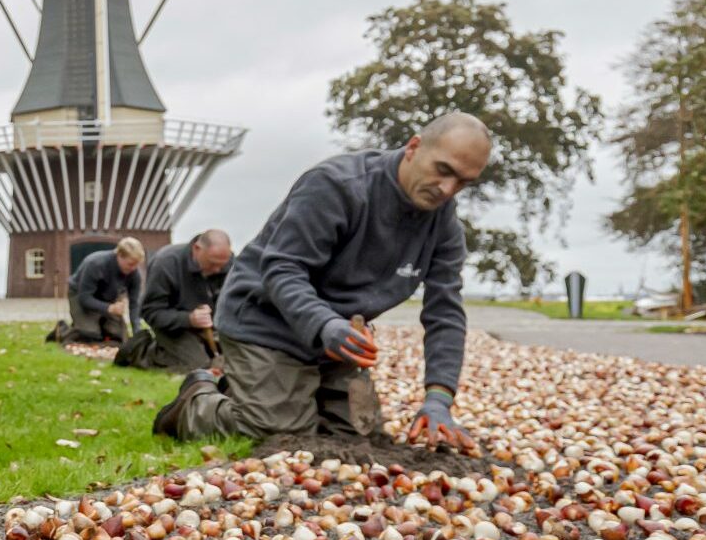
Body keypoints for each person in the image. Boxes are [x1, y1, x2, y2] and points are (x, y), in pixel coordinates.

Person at [152, 113, 490, 452]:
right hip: (265, 321)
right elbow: (283, 269)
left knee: (359, 436)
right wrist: (325, 324)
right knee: (280, 434)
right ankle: (198, 401)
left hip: (336, 337)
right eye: (443, 170)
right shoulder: (337, 186)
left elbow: (444, 312)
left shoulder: (444, 230)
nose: (447, 189)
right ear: (414, 147)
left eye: (463, 182)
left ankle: (272, 390)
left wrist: (439, 397)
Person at [115, 229, 233, 371]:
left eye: (222, 265)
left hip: (211, 326)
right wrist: (189, 319)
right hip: (173, 326)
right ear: (197, 249)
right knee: (197, 366)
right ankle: (142, 351)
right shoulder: (166, 263)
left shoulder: (227, 263)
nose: (217, 270)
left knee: (235, 361)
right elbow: (150, 312)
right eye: (212, 263)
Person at [52, 237, 145, 345]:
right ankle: (64, 330)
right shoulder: (95, 264)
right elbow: (85, 298)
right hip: (81, 294)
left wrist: (137, 332)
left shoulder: (134, 273)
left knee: (117, 336)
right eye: (131, 264)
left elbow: (134, 304)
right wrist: (109, 308)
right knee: (90, 334)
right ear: (119, 255)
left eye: (136, 264)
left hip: (108, 297)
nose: (134, 268)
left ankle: (99, 326)